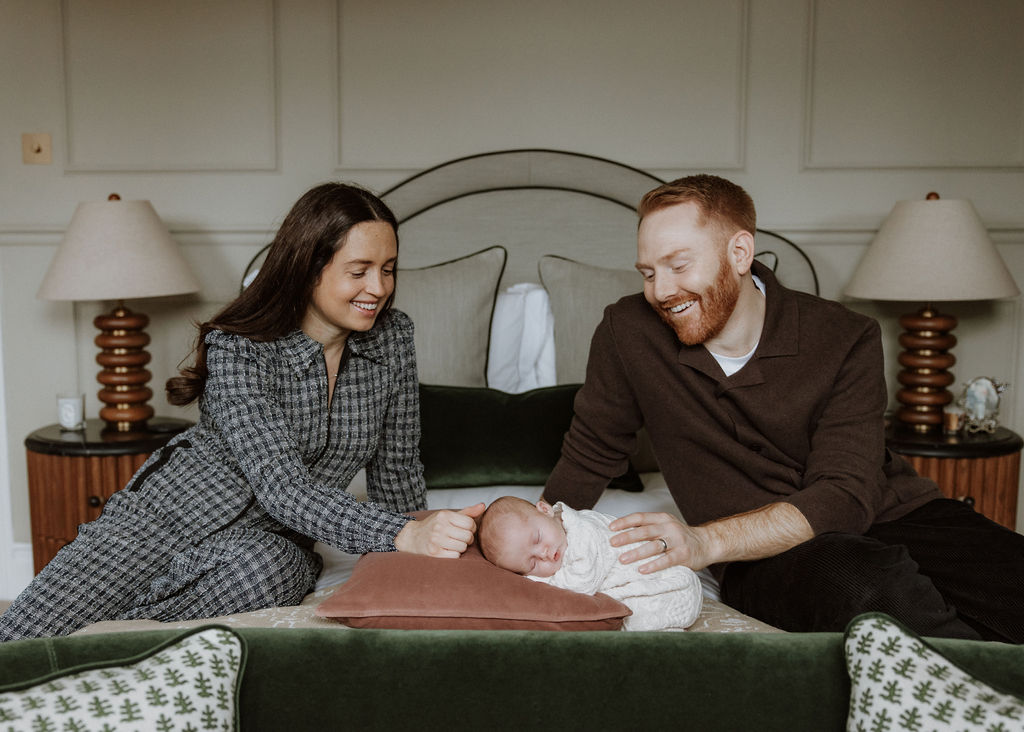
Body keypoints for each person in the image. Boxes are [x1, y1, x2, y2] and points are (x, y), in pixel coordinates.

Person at [542, 174, 1024, 642]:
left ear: (739, 252)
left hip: (896, 511)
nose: (661, 291)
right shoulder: (627, 332)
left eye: (679, 265)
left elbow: (844, 494)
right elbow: (593, 450)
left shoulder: (845, 335)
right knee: (869, 589)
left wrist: (701, 541)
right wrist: (518, 531)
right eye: (648, 273)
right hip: (762, 557)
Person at [0, 182, 482, 641]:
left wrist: (420, 550)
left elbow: (396, 467)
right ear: (308, 268)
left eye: (389, 268)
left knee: (275, 572)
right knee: (18, 638)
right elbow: (282, 487)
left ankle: (107, 637)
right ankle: (96, 632)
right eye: (358, 271)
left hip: (268, 550)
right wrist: (401, 533)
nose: (377, 287)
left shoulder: (393, 338)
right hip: (162, 521)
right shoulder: (239, 347)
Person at [478, 496, 702, 631]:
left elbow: (582, 585)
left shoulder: (583, 531)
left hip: (670, 584)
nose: (544, 554)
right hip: (646, 588)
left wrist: (537, 577)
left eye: (537, 539)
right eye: (532, 563)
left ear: (545, 510)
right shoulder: (557, 538)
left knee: (631, 625)